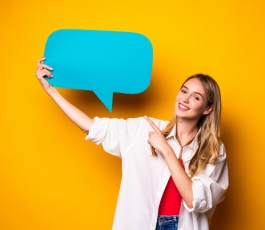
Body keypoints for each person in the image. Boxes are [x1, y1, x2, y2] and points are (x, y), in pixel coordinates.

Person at [35, 57, 229, 230]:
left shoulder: (214, 151)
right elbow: (90, 126)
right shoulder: (142, 129)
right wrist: (50, 90)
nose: (185, 99)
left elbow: (195, 199)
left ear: (207, 108)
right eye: (184, 91)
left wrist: (167, 151)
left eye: (196, 97)